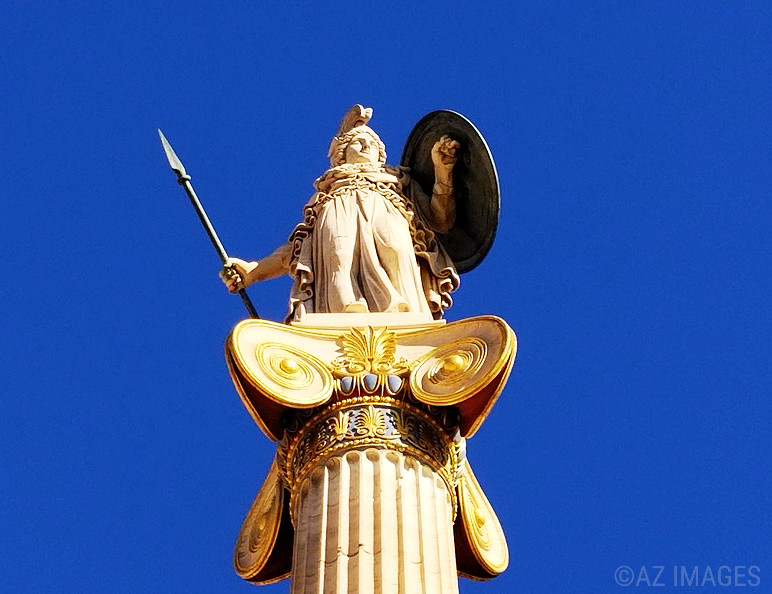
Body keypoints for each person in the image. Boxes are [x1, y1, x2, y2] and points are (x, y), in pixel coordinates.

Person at [221, 105, 460, 321]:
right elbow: (298, 251)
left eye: (372, 143)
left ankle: (401, 309)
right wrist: (254, 271)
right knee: (338, 255)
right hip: (338, 210)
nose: (366, 146)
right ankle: (345, 307)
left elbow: (441, 219)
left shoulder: (399, 182)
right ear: (342, 154)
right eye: (358, 142)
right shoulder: (327, 193)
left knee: (395, 251)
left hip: (389, 210)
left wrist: (443, 171)